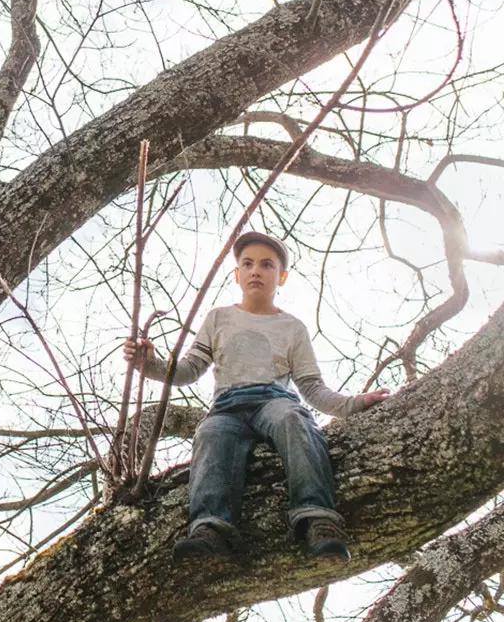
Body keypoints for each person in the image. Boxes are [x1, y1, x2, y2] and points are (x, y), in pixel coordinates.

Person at [123, 231, 389, 563]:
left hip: (273, 400)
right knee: (209, 435)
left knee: (294, 420)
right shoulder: (219, 318)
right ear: (236, 274)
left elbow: (312, 388)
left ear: (282, 276)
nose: (255, 271)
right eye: (247, 264)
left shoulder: (292, 328)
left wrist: (353, 404)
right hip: (227, 407)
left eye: (266, 265)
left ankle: (317, 518)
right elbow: (188, 370)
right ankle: (211, 528)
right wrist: (149, 364)